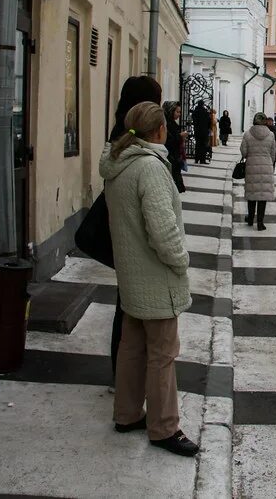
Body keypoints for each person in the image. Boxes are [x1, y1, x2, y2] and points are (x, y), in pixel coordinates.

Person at [100, 101, 198, 457]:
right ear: (159, 131)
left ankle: (126, 413)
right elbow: (162, 229)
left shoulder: (118, 163)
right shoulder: (150, 168)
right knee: (163, 353)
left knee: (131, 347)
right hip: (155, 276)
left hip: (130, 272)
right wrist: (180, 260)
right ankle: (164, 427)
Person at [107, 76, 162, 378]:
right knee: (135, 315)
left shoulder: (119, 136)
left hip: (124, 235)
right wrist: (177, 260)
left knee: (126, 309)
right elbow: (158, 219)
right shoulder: (143, 155)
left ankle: (122, 379)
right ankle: (128, 379)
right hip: (138, 238)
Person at [240, 112, 276, 231]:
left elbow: (244, 152)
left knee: (252, 194)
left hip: (251, 166)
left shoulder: (247, 134)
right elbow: (273, 154)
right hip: (266, 166)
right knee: (262, 196)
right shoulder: (271, 135)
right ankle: (260, 223)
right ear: (265, 121)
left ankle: (250, 219)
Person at [162, 101, 187, 193]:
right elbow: (167, 141)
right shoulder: (166, 124)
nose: (179, 114)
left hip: (175, 158)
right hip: (169, 158)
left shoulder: (172, 123)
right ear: (170, 111)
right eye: (177, 112)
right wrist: (180, 136)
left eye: (180, 112)